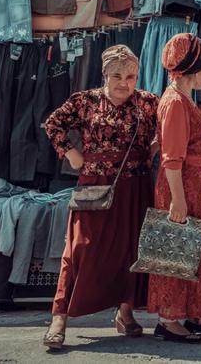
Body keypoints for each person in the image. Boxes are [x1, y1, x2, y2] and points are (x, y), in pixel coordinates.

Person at [43, 45, 159, 350]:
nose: (124, 82)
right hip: (95, 185)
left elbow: (169, 129)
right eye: (117, 75)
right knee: (81, 248)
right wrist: (71, 154)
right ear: (105, 74)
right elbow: (53, 124)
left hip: (136, 187)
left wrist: (155, 150)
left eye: (131, 76)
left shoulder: (147, 102)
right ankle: (59, 317)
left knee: (130, 249)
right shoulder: (85, 101)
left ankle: (126, 312)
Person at [146, 33, 201, 343]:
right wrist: (177, 200)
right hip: (181, 186)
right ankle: (169, 318)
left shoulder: (181, 98)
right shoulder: (176, 102)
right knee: (177, 247)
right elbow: (172, 158)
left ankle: (193, 312)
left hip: (192, 185)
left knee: (191, 248)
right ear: (195, 68)